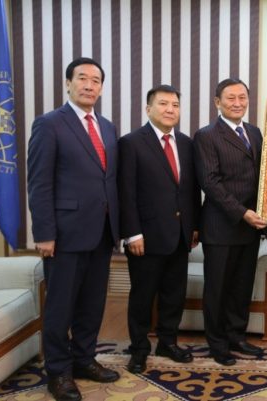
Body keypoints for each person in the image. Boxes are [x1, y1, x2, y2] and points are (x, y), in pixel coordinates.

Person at [28, 57, 120, 401]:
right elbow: (39, 183)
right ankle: (58, 372)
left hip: (102, 231)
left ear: (101, 88)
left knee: (92, 304)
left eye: (96, 80)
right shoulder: (49, 124)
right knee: (60, 306)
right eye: (82, 78)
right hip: (64, 234)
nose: (89, 85)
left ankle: (84, 359)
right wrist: (44, 233)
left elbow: (108, 180)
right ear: (68, 83)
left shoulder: (107, 127)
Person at [118, 85, 201, 374]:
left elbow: (190, 190)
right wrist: (132, 233)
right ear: (148, 108)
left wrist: (194, 226)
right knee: (143, 296)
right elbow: (125, 192)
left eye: (175, 105)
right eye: (163, 104)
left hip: (180, 234)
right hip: (145, 236)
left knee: (173, 294)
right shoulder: (131, 143)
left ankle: (168, 342)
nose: (170, 109)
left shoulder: (187, 143)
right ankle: (139, 348)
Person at [193, 78, 267, 366]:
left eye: (242, 97)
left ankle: (237, 336)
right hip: (222, 226)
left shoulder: (255, 132)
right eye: (230, 98)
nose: (237, 103)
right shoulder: (207, 136)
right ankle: (217, 343)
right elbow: (210, 183)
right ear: (218, 102)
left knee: (241, 286)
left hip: (251, 227)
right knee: (218, 288)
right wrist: (242, 212)